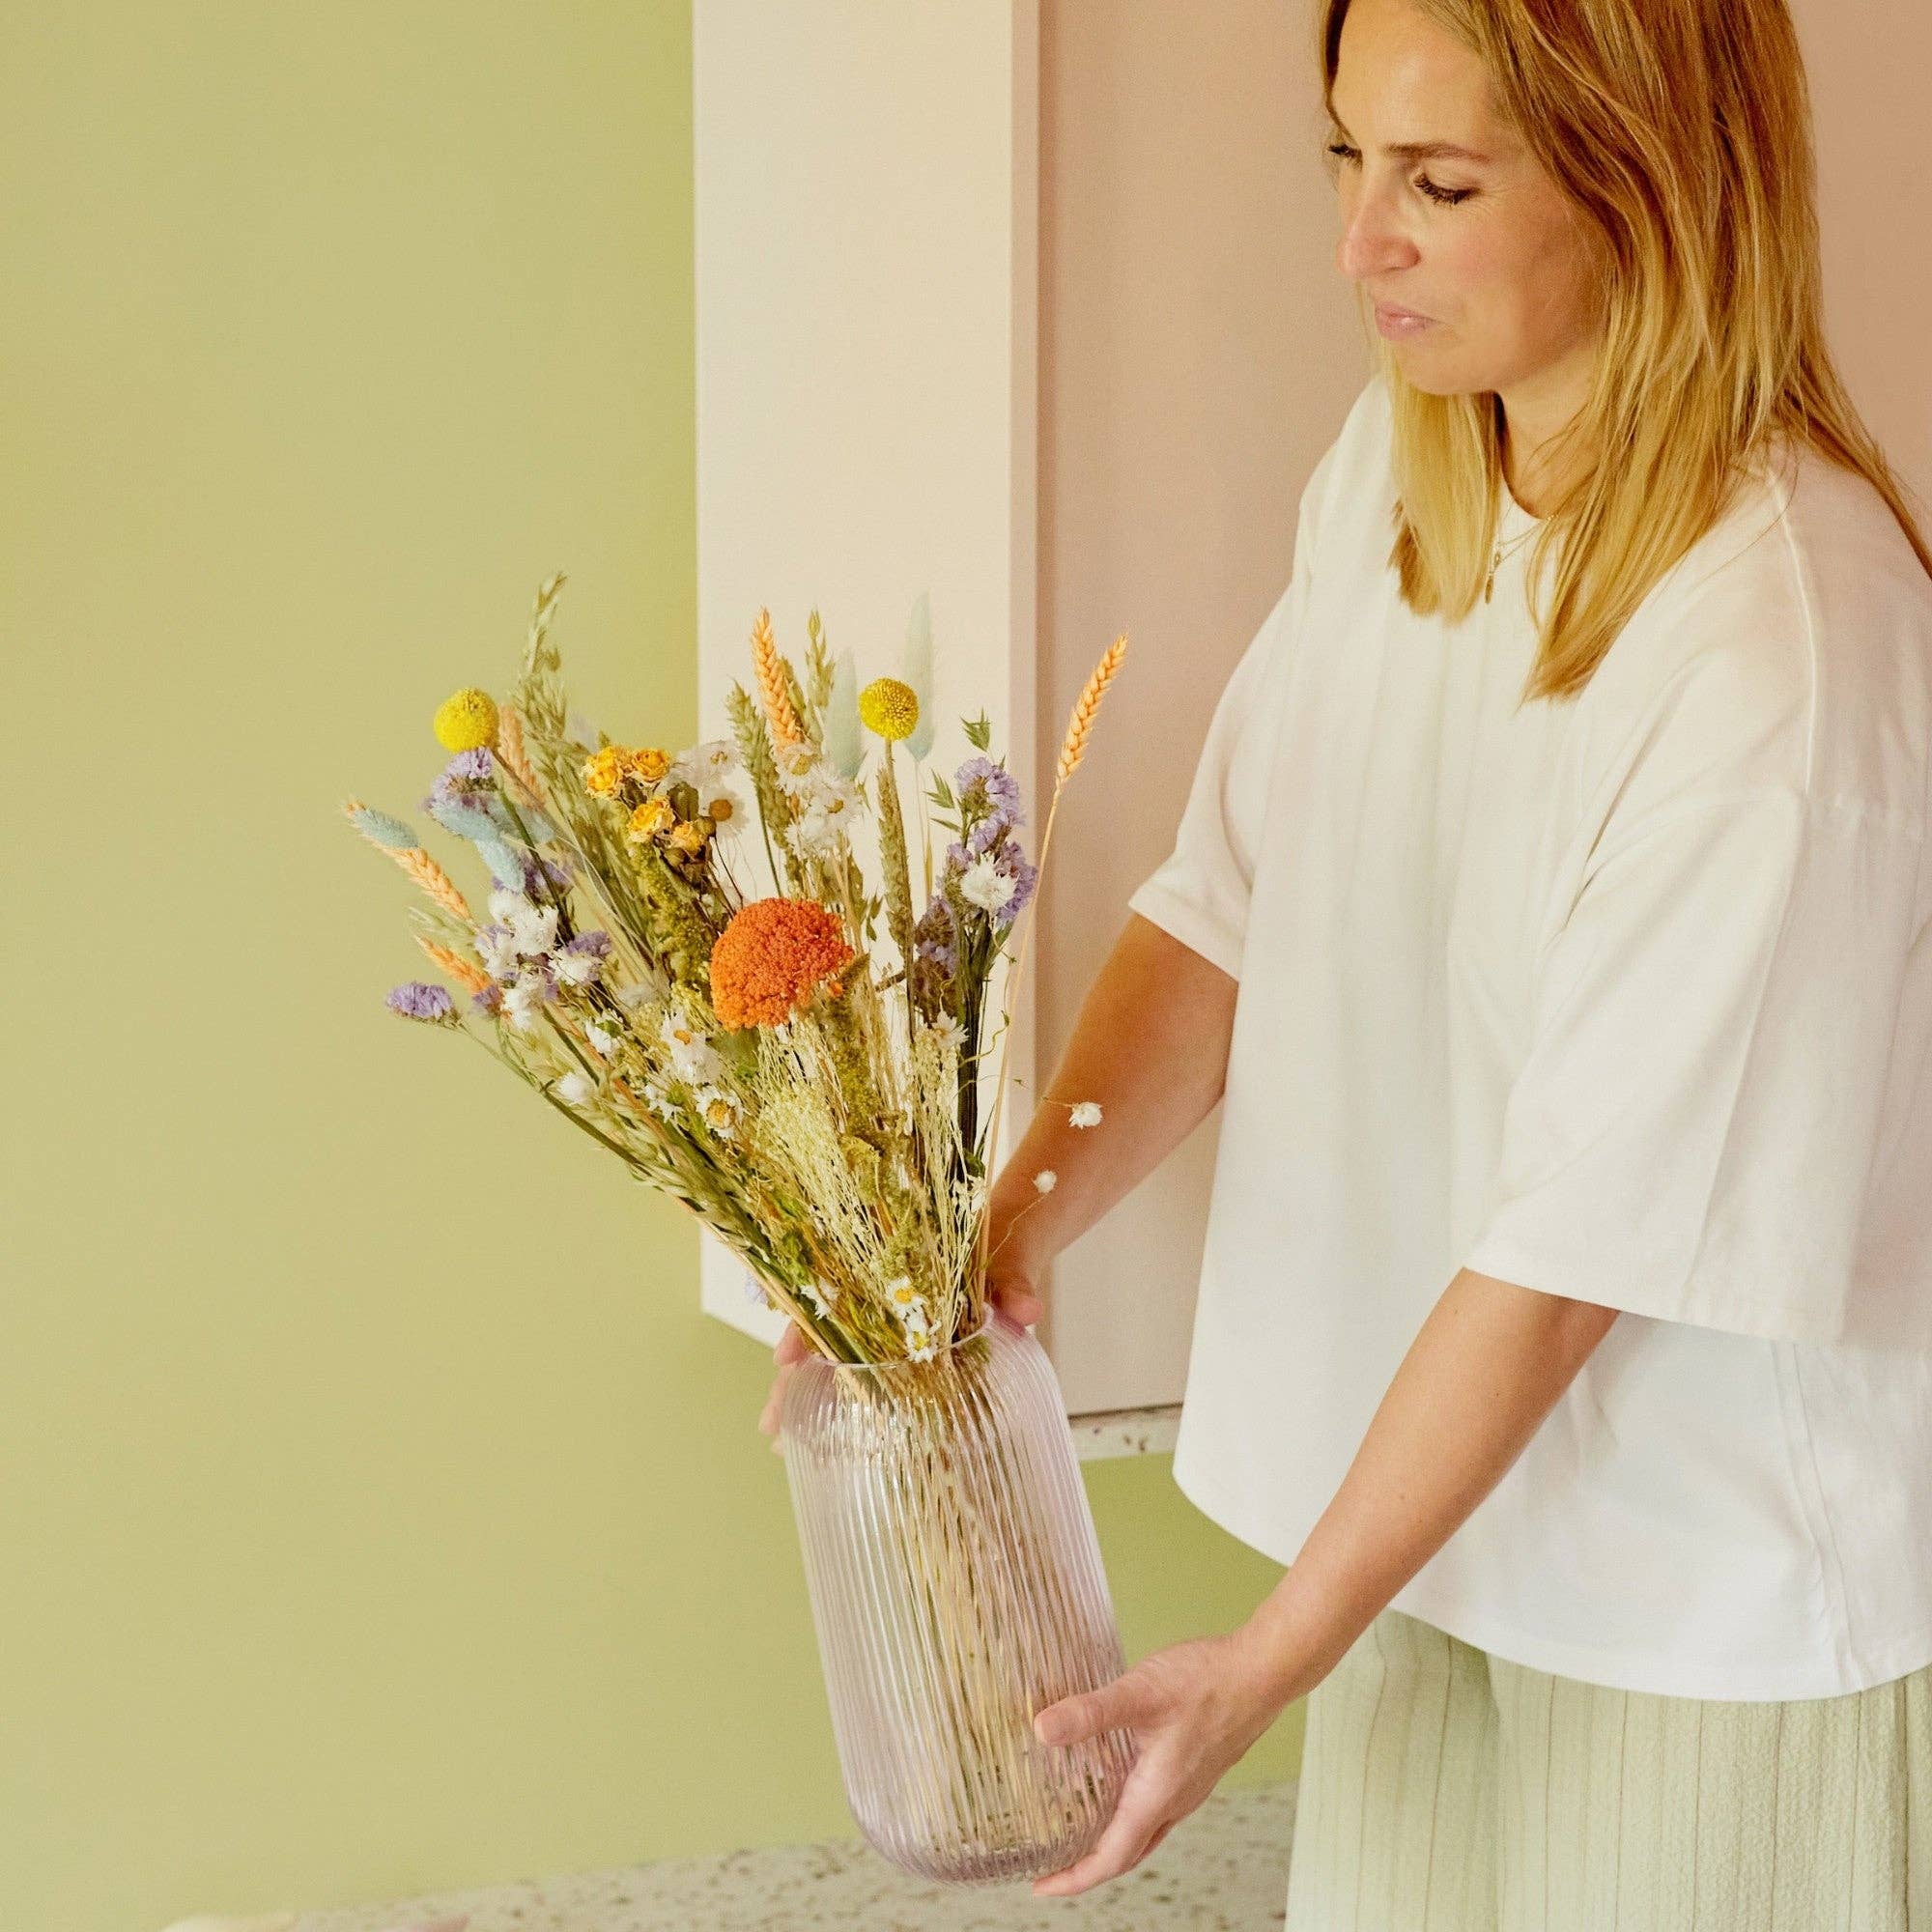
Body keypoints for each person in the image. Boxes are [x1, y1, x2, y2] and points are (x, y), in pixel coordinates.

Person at [767, 0, 1932, 1921]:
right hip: (1430, 1537)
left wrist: (1266, 1653)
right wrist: (1001, 1233)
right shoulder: (1407, 481)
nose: (1357, 239)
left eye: (1437, 181)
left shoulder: (1779, 651)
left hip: (1708, 1606)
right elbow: (1229, 901)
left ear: (1652, 192)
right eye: (1346, 160)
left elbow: (1582, 1254)